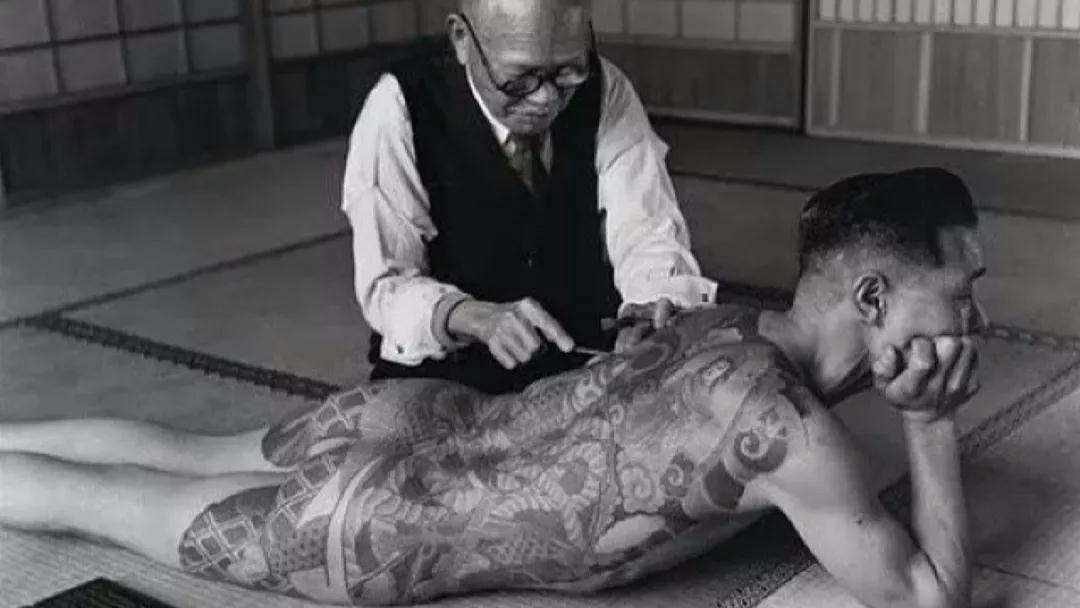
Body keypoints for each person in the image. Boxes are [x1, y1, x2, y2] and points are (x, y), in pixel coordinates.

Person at [1, 168, 986, 607]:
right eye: (962, 290)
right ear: (872, 295)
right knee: (96, 505)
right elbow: (928, 597)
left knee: (174, 452)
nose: (974, 318)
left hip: (415, 410)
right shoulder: (790, 434)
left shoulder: (719, 321)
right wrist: (933, 421)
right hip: (386, 527)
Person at [343, 0, 716, 393]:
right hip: (443, 371)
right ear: (462, 39)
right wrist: (469, 316)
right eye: (520, 78)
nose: (546, 99)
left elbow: (647, 231)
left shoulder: (606, 88)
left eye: (568, 71)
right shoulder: (399, 106)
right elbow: (386, 284)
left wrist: (650, 304)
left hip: (581, 359)